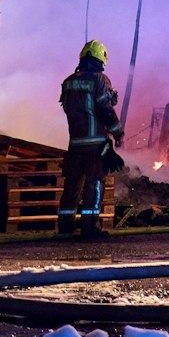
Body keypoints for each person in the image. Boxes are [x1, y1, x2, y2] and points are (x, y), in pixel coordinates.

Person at [59, 39, 123, 239]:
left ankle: (65, 226)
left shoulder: (69, 81)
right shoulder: (100, 80)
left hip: (75, 143)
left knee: (71, 185)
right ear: (101, 58)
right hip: (95, 143)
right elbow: (105, 109)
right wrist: (117, 133)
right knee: (94, 183)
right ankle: (90, 227)